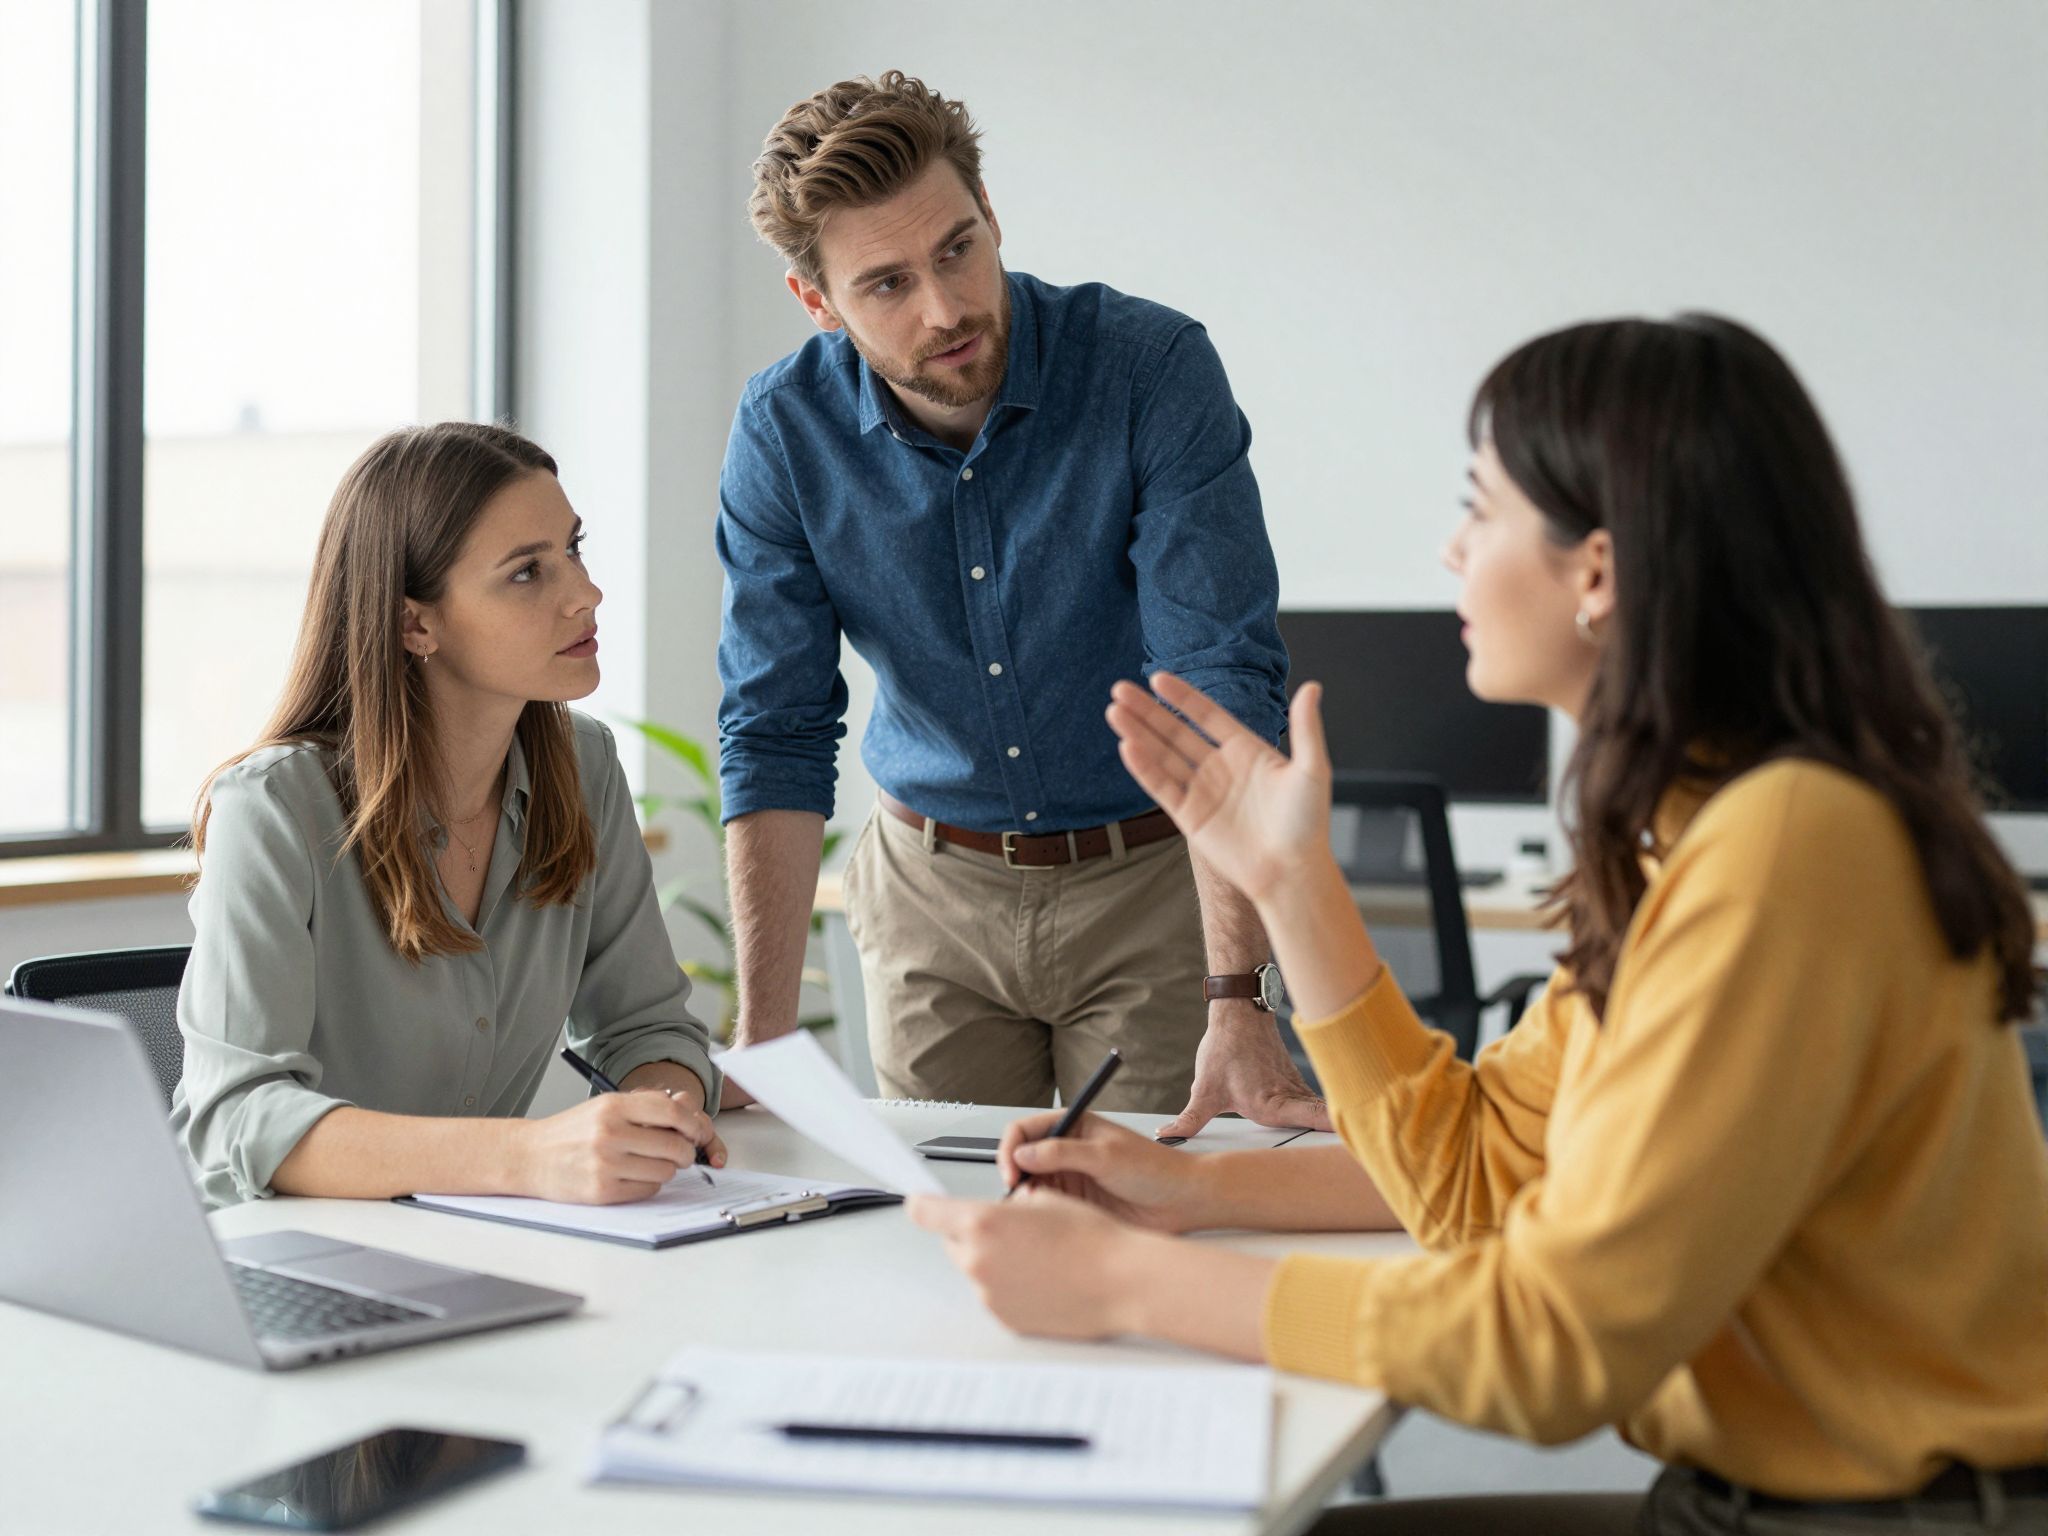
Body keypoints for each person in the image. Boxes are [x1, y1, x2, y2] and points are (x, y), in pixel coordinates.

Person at [912, 316, 2048, 1532]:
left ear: (1597, 571)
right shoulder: (1697, 834)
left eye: (1480, 507)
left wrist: (1134, 1285)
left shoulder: (1780, 848)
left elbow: (1557, 1341)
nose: (1452, 550)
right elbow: (1479, 1168)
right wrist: (1284, 913)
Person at [716, 71, 1319, 1135]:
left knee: (1156, 1227)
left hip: (1149, 883)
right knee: (945, 1237)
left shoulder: (1149, 371)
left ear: (990, 216)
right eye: (887, 285)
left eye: (957, 249)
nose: (944, 309)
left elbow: (1215, 687)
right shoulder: (782, 434)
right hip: (929, 899)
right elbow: (775, 727)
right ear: (817, 302)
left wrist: (1239, 999)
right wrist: (763, 1040)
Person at [173, 422, 725, 1210]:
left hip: (470, 1243)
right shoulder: (273, 809)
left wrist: (662, 1106)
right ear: (415, 624)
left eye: (575, 549)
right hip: (282, 1257)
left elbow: (645, 1027)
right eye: (528, 572)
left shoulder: (585, 767)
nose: (586, 593)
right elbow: (241, 1115)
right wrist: (528, 1156)